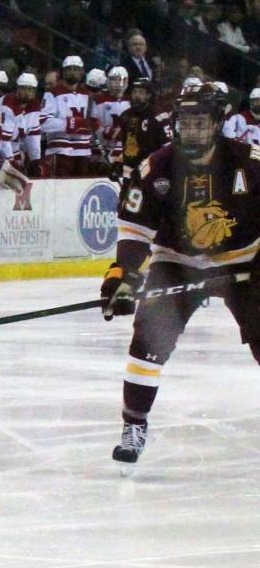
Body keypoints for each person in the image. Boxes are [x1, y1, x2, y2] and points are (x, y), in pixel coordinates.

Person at [102, 87, 260, 466]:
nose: (191, 132)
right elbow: (135, 230)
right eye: (185, 124)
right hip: (176, 261)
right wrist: (123, 277)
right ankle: (134, 425)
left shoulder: (249, 163)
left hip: (245, 262)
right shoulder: (156, 167)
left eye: (200, 124)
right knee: (147, 342)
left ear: (218, 125)